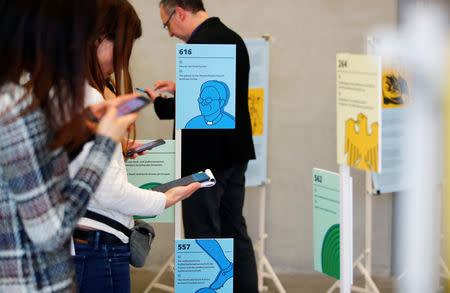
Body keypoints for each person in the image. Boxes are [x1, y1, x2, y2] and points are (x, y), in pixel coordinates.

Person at [0, 0, 139, 292]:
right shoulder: (13, 107)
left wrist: (87, 128)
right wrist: (103, 144)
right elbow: (51, 230)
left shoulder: (18, 100)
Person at [69, 1, 201, 292]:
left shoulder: (64, 93)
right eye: (125, 46)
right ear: (100, 37)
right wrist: (165, 198)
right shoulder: (90, 98)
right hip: (99, 249)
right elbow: (109, 191)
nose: (122, 59)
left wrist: (115, 148)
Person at [146, 1, 258, 291]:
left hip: (204, 162)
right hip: (235, 154)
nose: (170, 33)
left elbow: (198, 112)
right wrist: (180, 87)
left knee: (203, 235)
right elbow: (220, 102)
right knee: (236, 232)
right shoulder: (233, 38)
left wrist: (158, 103)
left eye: (166, 23)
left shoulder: (200, 44)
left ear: (179, 12)